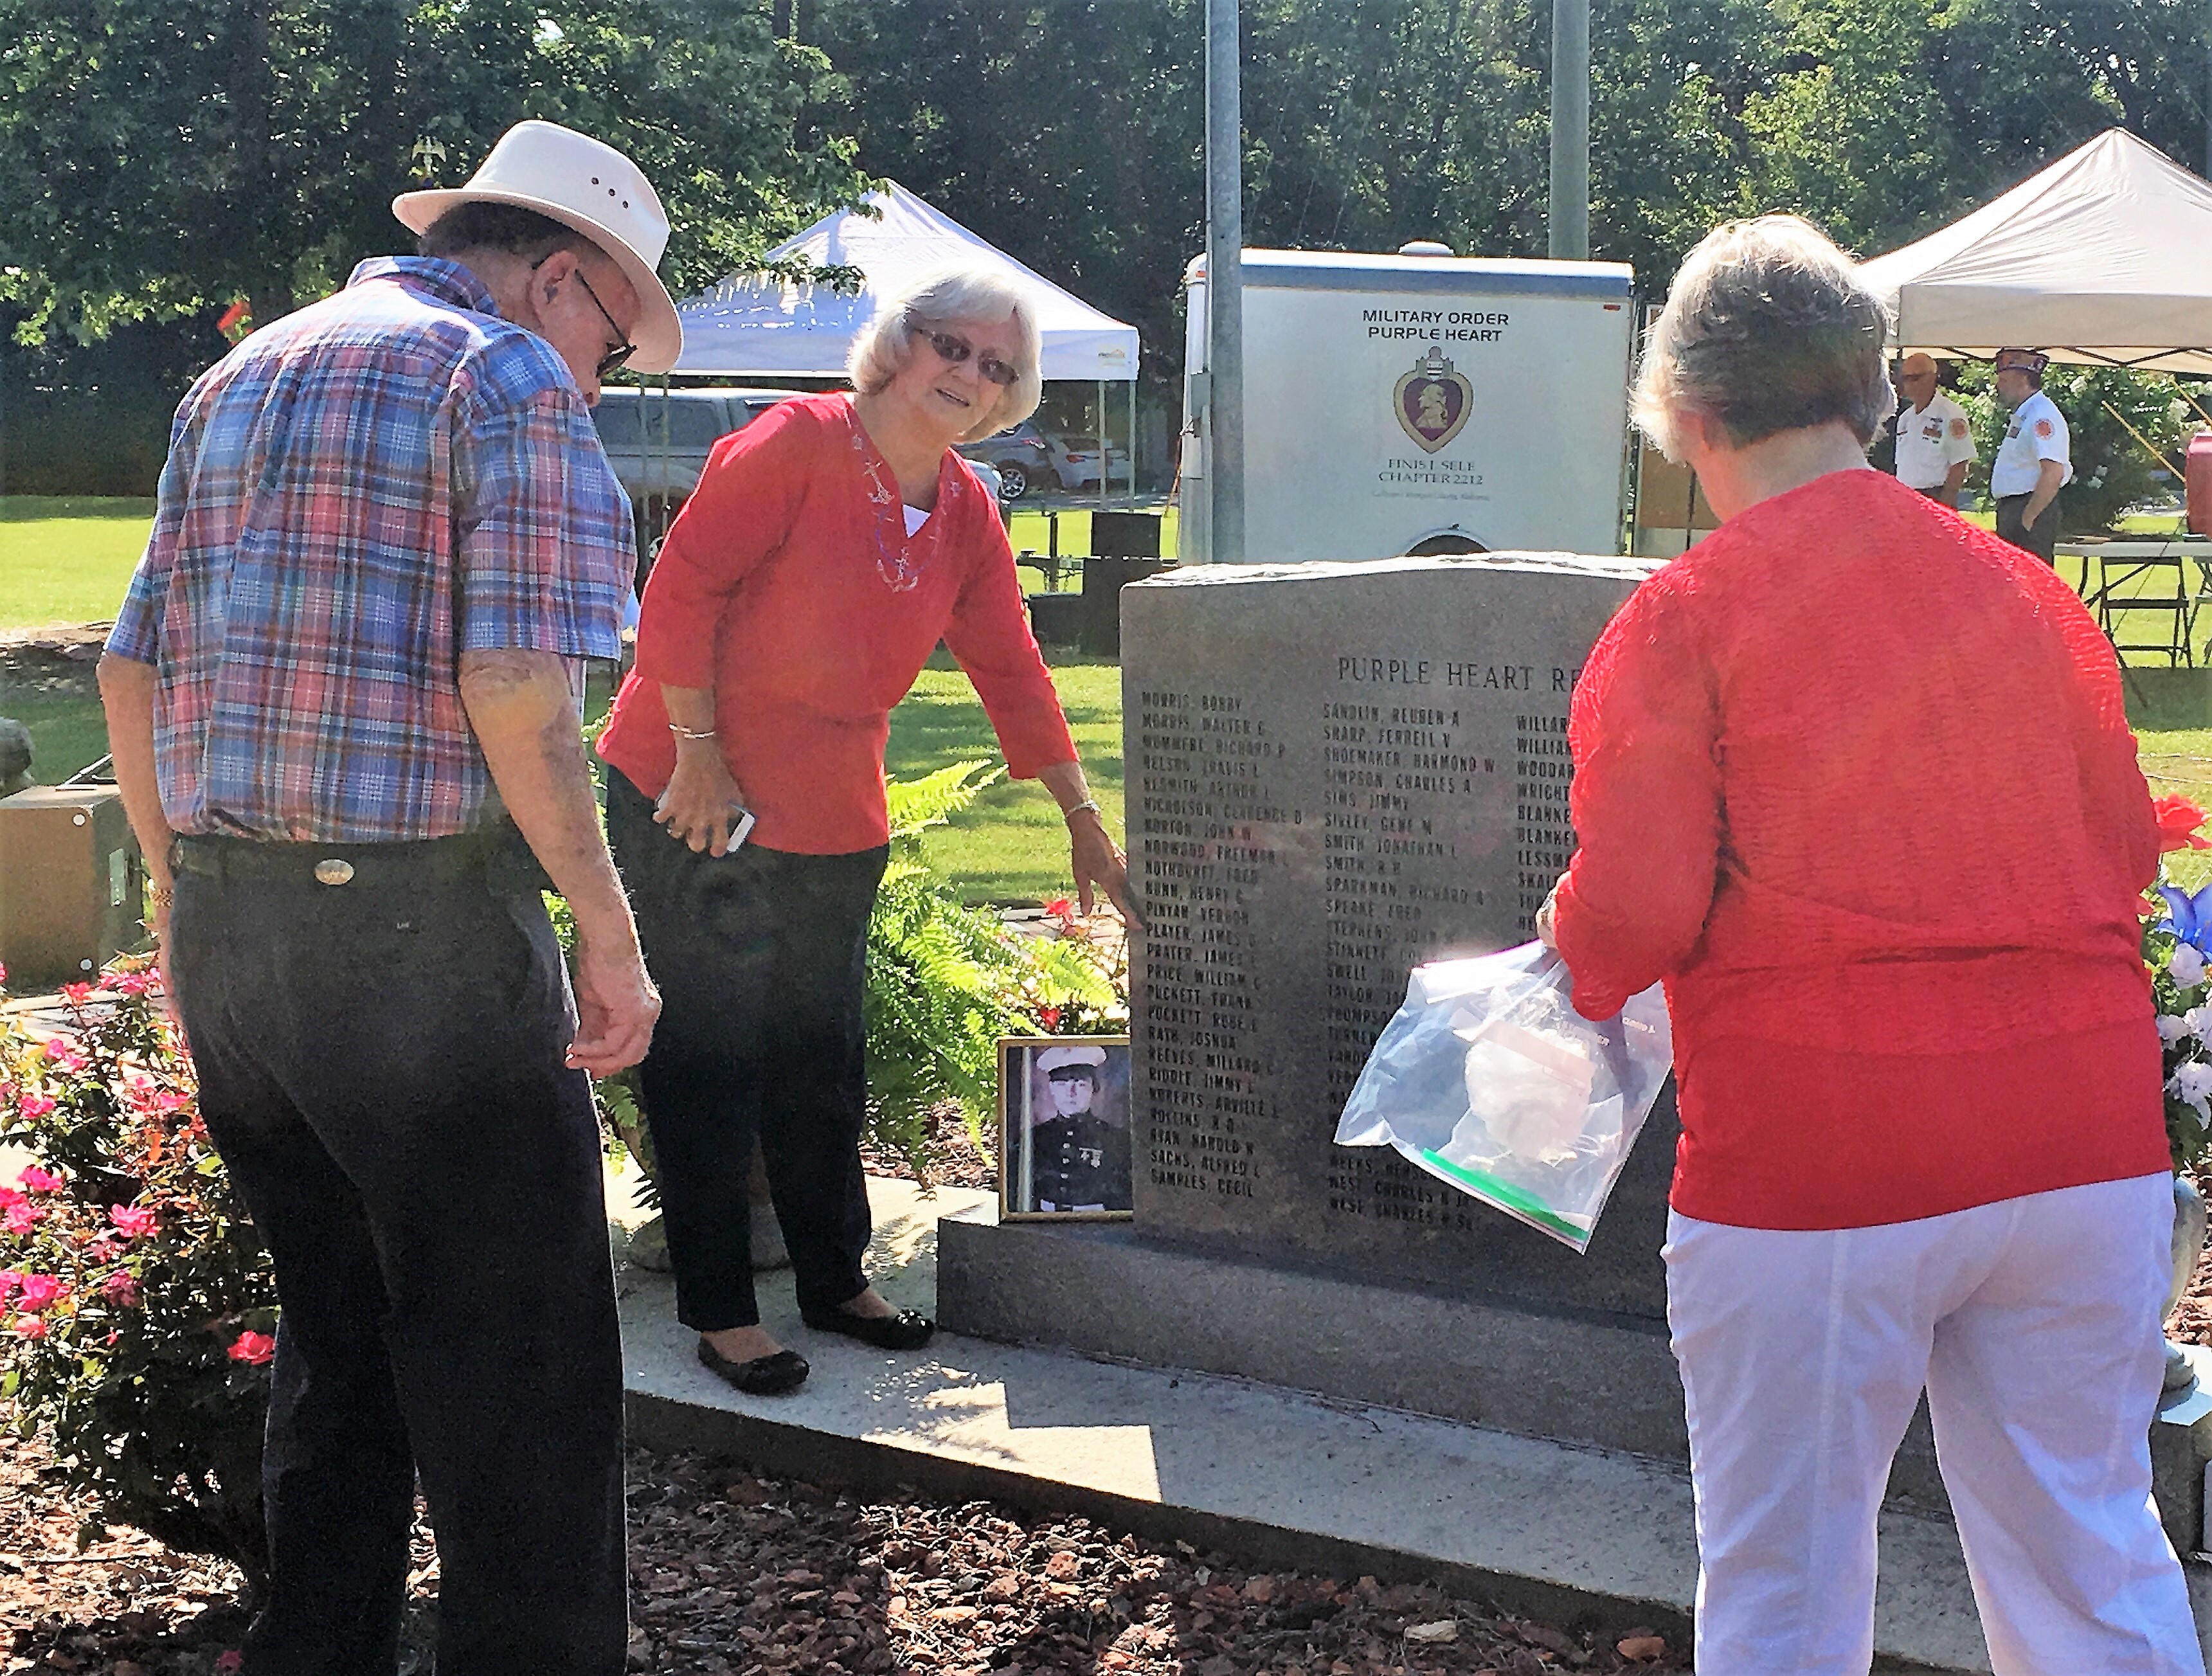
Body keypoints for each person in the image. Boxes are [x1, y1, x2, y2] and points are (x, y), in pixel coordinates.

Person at [1539, 215, 2199, 1675]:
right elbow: (2121, 849)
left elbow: (1638, 905)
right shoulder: (2028, 595)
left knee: (1781, 1586)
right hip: (2077, 1134)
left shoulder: (1687, 611)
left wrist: (1565, 944)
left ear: (1685, 416)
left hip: (1820, 1150)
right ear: (1877, 393)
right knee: (2089, 1552)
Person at [97, 119, 670, 1676]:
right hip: (417, 934)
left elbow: (129, 665)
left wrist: (174, 894)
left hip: (233, 929)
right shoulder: (503, 376)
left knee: (334, 1346)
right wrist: (608, 934)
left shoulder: (240, 373)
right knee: (522, 1380)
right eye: (615, 340)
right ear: (559, 277)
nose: (603, 380)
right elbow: (512, 680)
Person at [596, 264, 1135, 1398]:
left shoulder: (970, 504)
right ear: (900, 344)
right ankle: (719, 1309)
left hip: (834, 807)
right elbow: (678, 594)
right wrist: (696, 752)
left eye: (998, 367)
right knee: (709, 1057)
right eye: (954, 346)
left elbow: (1010, 665)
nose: (971, 376)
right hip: (697, 790)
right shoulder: (791, 444)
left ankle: (834, 1281)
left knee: (818, 1057)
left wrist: (1080, 815)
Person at [1027, 1045, 1131, 1212]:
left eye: (1080, 1084)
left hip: (1097, 1221)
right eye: (1061, 1084)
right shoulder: (1035, 1138)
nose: (1071, 1093)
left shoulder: (1116, 1139)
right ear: (1052, 1089)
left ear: (1093, 1089)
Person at [1991, 347, 2071, 562]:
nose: (1998, 386)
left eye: (2004, 380)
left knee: (2031, 586)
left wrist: (2028, 518)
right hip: (2015, 508)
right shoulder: (2025, 414)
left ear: (2023, 379)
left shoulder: (2041, 416)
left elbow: (2053, 472)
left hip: (2029, 509)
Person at [1890, 351, 1977, 508]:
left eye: (1915, 378)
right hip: (1905, 496)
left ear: (1931, 377)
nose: (1909, 384)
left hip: (1935, 495)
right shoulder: (1905, 418)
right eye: (1905, 378)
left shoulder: (1951, 414)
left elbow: (1960, 464)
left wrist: (1945, 505)